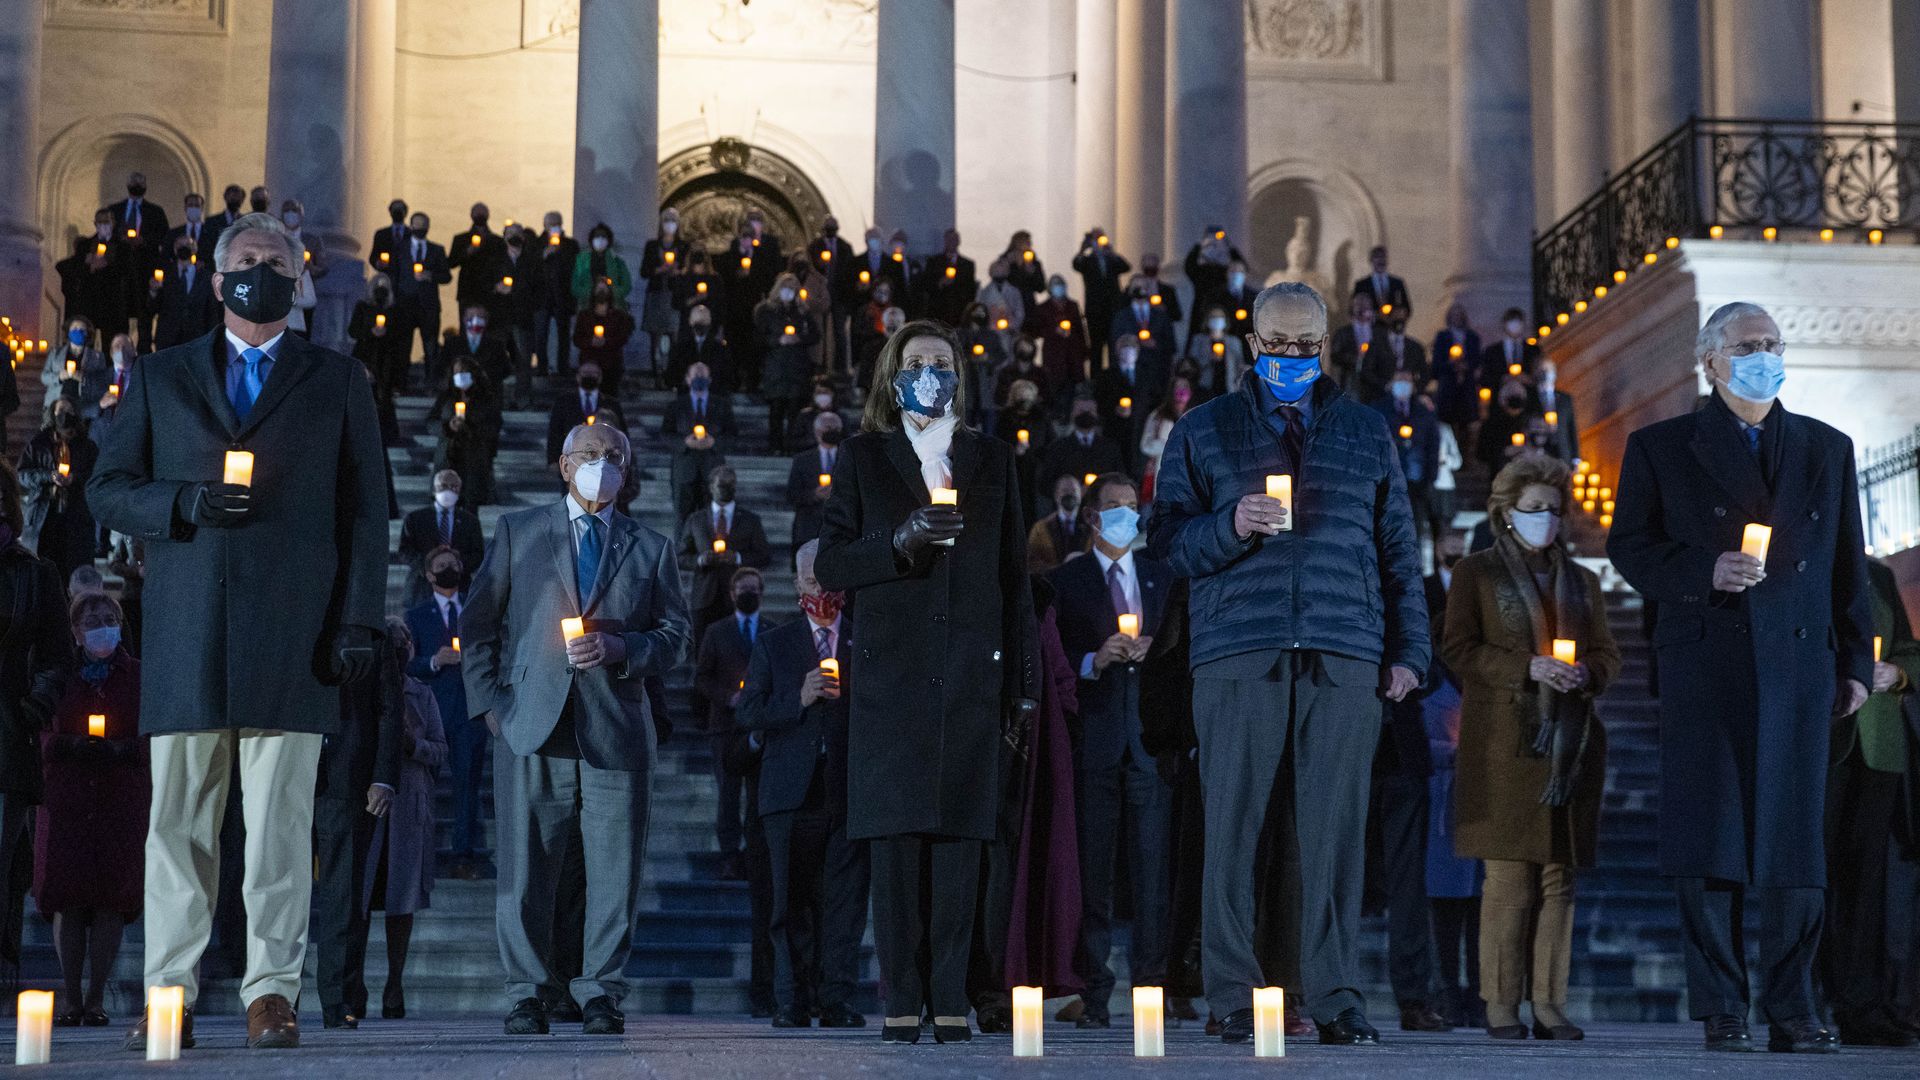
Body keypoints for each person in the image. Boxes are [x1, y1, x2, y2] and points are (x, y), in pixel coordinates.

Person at [90, 211, 388, 1052]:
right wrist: (183, 502)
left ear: (297, 282)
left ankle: (271, 993)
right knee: (177, 826)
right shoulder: (163, 375)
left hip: (296, 639)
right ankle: (170, 993)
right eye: (247, 260)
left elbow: (367, 512)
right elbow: (107, 488)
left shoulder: (338, 380)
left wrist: (359, 620)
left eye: (277, 262)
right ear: (218, 281)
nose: (263, 273)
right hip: (189, 635)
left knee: (281, 831)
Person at [1146, 281, 1427, 1047]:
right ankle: (1233, 994)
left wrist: (1410, 651)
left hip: (1345, 649)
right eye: (1278, 344)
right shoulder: (1203, 429)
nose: (1293, 356)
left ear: (1326, 346)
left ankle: (1334, 995)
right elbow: (1166, 541)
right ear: (1252, 346)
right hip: (1241, 647)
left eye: (1307, 344)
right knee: (1232, 829)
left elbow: (1400, 550)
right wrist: (1230, 524)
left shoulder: (1366, 431)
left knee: (1335, 836)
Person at [1607, 300, 1870, 1054]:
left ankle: (1794, 1008)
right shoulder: (1660, 447)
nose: (1766, 356)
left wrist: (1854, 661)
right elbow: (1630, 547)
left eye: (1774, 344)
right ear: (1711, 361)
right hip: (1707, 661)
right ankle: (1723, 1006)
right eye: (1750, 345)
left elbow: (1848, 562)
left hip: (1800, 665)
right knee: (1709, 838)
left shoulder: (1827, 447)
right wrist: (1704, 570)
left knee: (1796, 847)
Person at [815, 319, 1039, 1044]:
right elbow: (831, 562)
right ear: (893, 375)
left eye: (941, 363)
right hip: (892, 685)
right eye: (915, 363)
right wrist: (899, 542)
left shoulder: (991, 458)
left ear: (959, 376)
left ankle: (949, 1001)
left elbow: (1013, 576)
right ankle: (902, 1001)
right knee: (895, 849)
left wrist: (1025, 683)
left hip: (971, 679)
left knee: (960, 848)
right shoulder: (863, 457)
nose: (929, 375)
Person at [460, 420, 691, 1036]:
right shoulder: (519, 531)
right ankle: (528, 992)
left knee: (616, 872)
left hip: (616, 728)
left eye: (614, 455)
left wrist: (623, 648)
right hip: (531, 724)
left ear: (627, 472)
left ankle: (600, 991)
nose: (601, 463)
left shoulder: (651, 547)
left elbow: (676, 637)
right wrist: (489, 706)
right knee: (525, 868)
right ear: (564, 466)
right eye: (589, 453)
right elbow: (478, 621)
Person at [1443, 456, 1619, 1041]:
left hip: (1568, 746)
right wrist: (1528, 667)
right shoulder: (1477, 573)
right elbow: (1459, 648)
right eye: (1535, 508)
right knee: (1509, 879)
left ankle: (1549, 1002)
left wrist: (1586, 673)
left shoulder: (1582, 582)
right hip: (1505, 743)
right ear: (1507, 512)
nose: (1547, 519)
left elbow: (1607, 653)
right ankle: (1500, 1002)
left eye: (1555, 509)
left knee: (1558, 879)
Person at [1050, 474, 1173, 1028]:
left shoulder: (1160, 575)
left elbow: (1179, 648)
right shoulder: (1066, 581)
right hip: (1094, 741)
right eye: (1115, 507)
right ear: (1093, 517)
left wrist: (1155, 649)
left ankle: (1152, 989)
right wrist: (1092, 660)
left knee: (1152, 875)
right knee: (1093, 874)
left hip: (1148, 741)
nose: (1127, 514)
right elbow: (1053, 654)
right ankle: (1094, 992)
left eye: (1132, 505)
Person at [736, 543, 871, 1029]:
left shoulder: (862, 640)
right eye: (812, 581)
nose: (821, 591)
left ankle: (836, 998)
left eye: (828, 580)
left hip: (846, 788)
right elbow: (748, 712)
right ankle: (790, 998)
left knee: (843, 903)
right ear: (796, 584)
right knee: (787, 902)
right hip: (789, 791)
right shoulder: (775, 644)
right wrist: (798, 698)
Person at [1822, 557, 1920, 1046]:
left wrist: (1896, 674)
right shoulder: (1801, 565)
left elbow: (1909, 649)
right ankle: (1809, 1000)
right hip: (1823, 744)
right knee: (1815, 881)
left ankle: (1861, 1006)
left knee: (1867, 887)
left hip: (1878, 747)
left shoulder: (1876, 574)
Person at [34, 590, 141, 1028]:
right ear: (75, 632)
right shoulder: (60, 676)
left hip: (119, 799)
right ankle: (72, 996)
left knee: (110, 900)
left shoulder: (137, 676)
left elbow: (152, 731)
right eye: (91, 620)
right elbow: (41, 730)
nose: (102, 627)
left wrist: (123, 750)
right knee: (70, 899)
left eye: (109, 618)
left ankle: (96, 997)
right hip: (68, 798)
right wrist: (70, 745)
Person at [311, 612, 402, 1030]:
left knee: (343, 895)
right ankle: (275, 999)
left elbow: (388, 707)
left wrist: (383, 776)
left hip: (348, 776)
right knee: (277, 887)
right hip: (286, 771)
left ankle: (338, 998)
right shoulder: (285, 618)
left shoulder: (369, 632)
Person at [361, 616, 446, 1021]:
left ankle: (395, 983)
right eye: (391, 645)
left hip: (408, 807)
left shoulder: (421, 694)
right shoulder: (363, 690)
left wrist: (415, 746)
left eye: (403, 644)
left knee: (402, 902)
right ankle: (353, 982)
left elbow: (440, 749)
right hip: (370, 805)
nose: (398, 652)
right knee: (360, 898)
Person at [1421, 531, 1482, 1029]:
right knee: (1444, 910)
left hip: (1478, 804)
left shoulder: (1478, 681)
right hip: (1442, 805)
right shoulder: (1430, 683)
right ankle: (1445, 989)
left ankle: (1480, 993)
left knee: (1480, 908)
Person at [405, 546, 486, 881]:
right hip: (432, 711)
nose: (448, 569)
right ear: (429, 574)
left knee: (467, 786)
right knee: (424, 787)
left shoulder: (477, 607)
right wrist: (435, 661)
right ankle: (419, 856)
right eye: (441, 565)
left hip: (470, 709)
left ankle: (463, 856)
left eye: (453, 564)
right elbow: (407, 663)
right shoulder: (416, 615)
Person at [694, 569, 766, 883]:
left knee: (757, 795)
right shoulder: (716, 631)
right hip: (725, 726)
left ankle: (754, 854)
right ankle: (729, 856)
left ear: (761, 593)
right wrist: (727, 697)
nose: (748, 594)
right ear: (733, 594)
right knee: (728, 794)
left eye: (753, 589)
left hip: (759, 725)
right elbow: (701, 677)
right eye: (742, 589)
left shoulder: (772, 630)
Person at [20, 396, 100, 584]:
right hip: (44, 517)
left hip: (76, 518)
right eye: (61, 411)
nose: (65, 415)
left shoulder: (87, 446)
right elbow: (23, 474)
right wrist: (48, 476)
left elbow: (96, 475)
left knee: (72, 573)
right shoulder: (39, 444)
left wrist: (75, 478)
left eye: (69, 411)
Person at [1371, 370, 1441, 546]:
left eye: (1407, 380)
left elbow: (1432, 445)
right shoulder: (1378, 409)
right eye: (1399, 379)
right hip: (1387, 477)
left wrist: (1431, 475)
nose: (1403, 383)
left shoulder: (1423, 412)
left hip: (1416, 479)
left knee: (1414, 523)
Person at [396, 470, 484, 610]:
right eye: (443, 486)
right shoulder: (415, 518)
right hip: (422, 587)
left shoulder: (470, 521)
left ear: (459, 490)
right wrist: (428, 566)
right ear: (434, 489)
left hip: (459, 587)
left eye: (453, 486)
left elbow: (478, 553)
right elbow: (405, 550)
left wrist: (457, 565)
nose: (448, 490)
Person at [757, 274, 820, 456]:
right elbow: (759, 336)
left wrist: (799, 338)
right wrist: (777, 340)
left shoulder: (802, 311)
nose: (789, 291)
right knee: (776, 409)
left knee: (795, 409)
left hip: (797, 367)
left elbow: (815, 335)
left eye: (793, 288)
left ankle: (792, 445)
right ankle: (775, 445)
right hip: (776, 366)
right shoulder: (767, 310)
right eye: (786, 287)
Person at [390, 211, 452, 389]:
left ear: (428, 227)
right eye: (417, 224)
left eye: (423, 225)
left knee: (430, 346)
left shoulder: (437, 250)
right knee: (403, 346)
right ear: (411, 226)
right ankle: (400, 384)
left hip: (429, 306)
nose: (420, 228)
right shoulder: (400, 248)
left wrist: (430, 276)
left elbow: (446, 276)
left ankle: (431, 383)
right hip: (405, 305)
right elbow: (393, 274)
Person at [429, 356, 501, 507]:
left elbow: (494, 425)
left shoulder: (486, 398)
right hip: (448, 456)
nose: (460, 375)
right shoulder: (446, 397)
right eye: (457, 372)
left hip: (474, 458)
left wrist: (471, 426)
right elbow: (431, 422)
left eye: (464, 371)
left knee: (470, 503)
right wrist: (448, 426)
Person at [545, 361, 629, 468]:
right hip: (572, 461)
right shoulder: (564, 402)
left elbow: (622, 433)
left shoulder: (611, 404)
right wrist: (553, 459)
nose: (589, 376)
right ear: (578, 377)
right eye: (585, 373)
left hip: (604, 462)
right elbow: (555, 431)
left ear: (600, 377)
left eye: (593, 373)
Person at [1038, 397, 1125, 501]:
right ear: (1072, 414)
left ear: (1097, 414)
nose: (1086, 414)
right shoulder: (1057, 447)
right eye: (1081, 410)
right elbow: (1045, 483)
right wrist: (1069, 491)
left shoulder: (1110, 447)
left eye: (1090, 410)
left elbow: (1120, 478)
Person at [1022, 274, 1090, 406]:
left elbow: (1080, 329)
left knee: (1074, 391)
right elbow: (1036, 330)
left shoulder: (1072, 305)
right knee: (1054, 389)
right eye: (1055, 284)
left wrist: (1084, 350)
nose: (1059, 287)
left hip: (1073, 354)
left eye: (1061, 284)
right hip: (1054, 355)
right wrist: (1053, 330)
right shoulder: (1043, 308)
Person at [787, 411, 844, 560]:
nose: (831, 430)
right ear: (817, 431)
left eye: (835, 427)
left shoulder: (848, 457)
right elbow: (792, 495)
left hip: (841, 527)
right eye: (827, 427)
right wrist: (814, 495)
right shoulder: (802, 460)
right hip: (808, 528)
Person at [1072, 228, 1130, 371]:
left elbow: (1126, 267)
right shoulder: (1087, 260)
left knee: (1113, 346)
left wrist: (1112, 253)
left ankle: (1114, 377)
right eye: (1096, 238)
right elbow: (1076, 264)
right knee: (1096, 348)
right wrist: (1083, 249)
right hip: (1095, 311)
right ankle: (1095, 379)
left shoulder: (1111, 260)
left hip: (1112, 309)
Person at [534, 212, 582, 379]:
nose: (554, 227)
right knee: (541, 334)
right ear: (545, 226)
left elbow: (574, 267)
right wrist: (545, 254)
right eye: (551, 224)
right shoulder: (537, 243)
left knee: (564, 334)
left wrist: (561, 253)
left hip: (563, 295)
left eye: (557, 224)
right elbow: (532, 266)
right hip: (542, 296)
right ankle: (542, 367)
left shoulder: (570, 245)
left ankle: (563, 367)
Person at [153, 237, 220, 350]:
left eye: (187, 245)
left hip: (196, 338)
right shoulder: (165, 274)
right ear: (175, 250)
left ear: (194, 249)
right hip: (168, 339)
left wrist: (212, 339)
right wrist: (153, 291)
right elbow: (154, 306)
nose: (183, 248)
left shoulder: (206, 277)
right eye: (180, 245)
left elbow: (212, 311)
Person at [571, 282, 635, 391]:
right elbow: (577, 339)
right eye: (599, 289)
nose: (601, 292)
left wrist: (606, 341)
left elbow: (623, 338)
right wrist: (590, 341)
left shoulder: (618, 316)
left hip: (611, 362)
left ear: (609, 293)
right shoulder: (584, 315)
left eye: (604, 289)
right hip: (589, 362)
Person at [1140, 377, 1194, 502]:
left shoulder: (1195, 416)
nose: (1181, 390)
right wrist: (1172, 445)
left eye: (1185, 386)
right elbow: (1145, 445)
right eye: (1178, 387)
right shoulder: (1158, 416)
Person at [1027, 473, 1090, 574]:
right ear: (1056, 495)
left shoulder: (1091, 527)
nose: (1069, 494)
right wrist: (1061, 570)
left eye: (1073, 490)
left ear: (1081, 493)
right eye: (1064, 490)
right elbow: (1032, 563)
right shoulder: (1040, 529)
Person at [666, 304, 731, 392]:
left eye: (702, 324)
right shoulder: (680, 348)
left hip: (712, 395)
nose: (700, 327)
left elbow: (727, 377)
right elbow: (670, 377)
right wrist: (685, 381)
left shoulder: (719, 349)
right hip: (686, 394)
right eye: (698, 324)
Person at [1187, 307, 1247, 397]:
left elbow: (1239, 365)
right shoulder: (1199, 340)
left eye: (1220, 317)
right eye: (1213, 317)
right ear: (1207, 320)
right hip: (1205, 387)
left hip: (1228, 387)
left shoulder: (1234, 342)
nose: (1217, 320)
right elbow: (1192, 364)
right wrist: (1209, 358)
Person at [1325, 292, 1375, 393]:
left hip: (1373, 384)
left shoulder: (1378, 333)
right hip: (1350, 381)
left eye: (1366, 306)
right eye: (1359, 306)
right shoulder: (1343, 333)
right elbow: (1335, 356)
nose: (1363, 310)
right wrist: (1354, 359)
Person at [1352, 246, 1412, 318]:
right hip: (1371, 324)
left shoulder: (1398, 283)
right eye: (1377, 257)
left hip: (1393, 324)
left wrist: (1400, 313)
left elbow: (1407, 309)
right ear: (1371, 260)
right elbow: (1354, 310)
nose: (1381, 260)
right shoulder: (1361, 285)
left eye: (1383, 257)